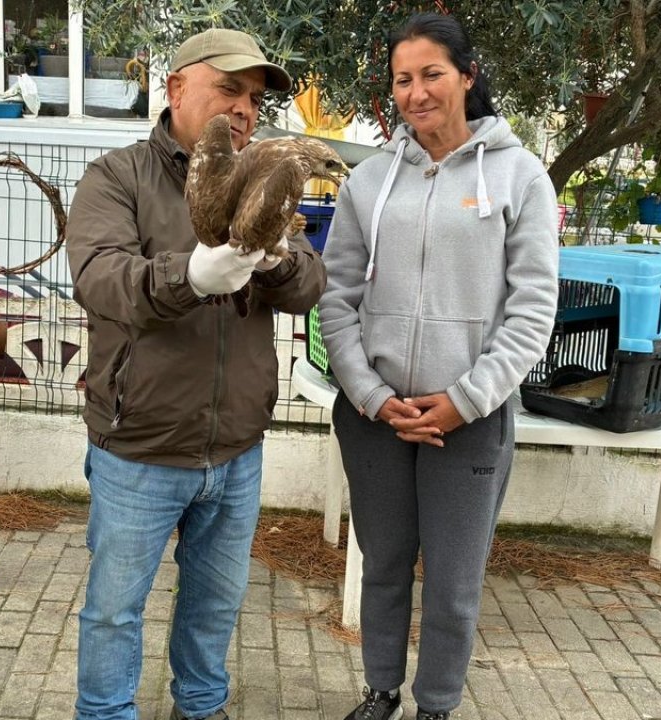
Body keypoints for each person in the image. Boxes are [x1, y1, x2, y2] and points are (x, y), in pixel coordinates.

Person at [65, 27, 326, 720]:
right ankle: (104, 713)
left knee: (216, 602)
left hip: (236, 448)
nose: (243, 109)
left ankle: (202, 708)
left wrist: (280, 260)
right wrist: (192, 275)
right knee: (115, 611)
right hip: (140, 446)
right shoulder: (116, 177)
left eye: (253, 98)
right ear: (176, 89)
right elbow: (101, 279)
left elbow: (307, 287)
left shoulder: (262, 174)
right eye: (228, 90)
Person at [318, 12, 559, 720]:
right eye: (402, 79)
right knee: (383, 566)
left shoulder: (519, 177)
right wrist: (368, 393)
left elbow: (532, 310)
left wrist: (466, 399)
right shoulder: (369, 182)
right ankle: (381, 692)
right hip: (376, 417)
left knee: (453, 582)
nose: (416, 92)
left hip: (470, 420)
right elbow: (337, 298)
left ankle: (437, 705)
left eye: (431, 74)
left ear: (467, 76)